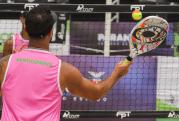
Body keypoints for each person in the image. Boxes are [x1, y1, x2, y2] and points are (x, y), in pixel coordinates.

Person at [0, 6, 132, 121]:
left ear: (27, 30)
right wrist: (117, 73)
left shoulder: (5, 64)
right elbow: (96, 93)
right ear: (51, 33)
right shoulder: (63, 70)